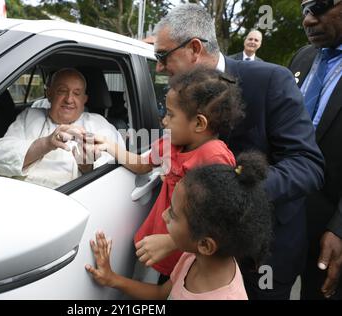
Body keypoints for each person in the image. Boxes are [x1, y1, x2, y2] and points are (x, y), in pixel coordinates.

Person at [151, 3, 325, 299]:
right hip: (194, 255)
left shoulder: (270, 80)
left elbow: (307, 165)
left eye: (162, 56)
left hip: (263, 260)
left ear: (194, 48)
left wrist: (230, 191)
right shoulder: (178, 94)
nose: (158, 68)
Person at [95, 66, 243, 283]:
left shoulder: (214, 157)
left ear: (199, 123)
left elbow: (220, 220)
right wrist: (110, 146)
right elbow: (142, 164)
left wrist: (171, 242)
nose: (164, 121)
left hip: (188, 254)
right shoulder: (170, 144)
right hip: (158, 241)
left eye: (171, 115)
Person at [85, 152, 273, 300]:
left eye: (173, 213)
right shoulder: (192, 258)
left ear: (205, 245)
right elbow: (162, 294)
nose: (164, 215)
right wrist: (112, 278)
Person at [0, 68, 124, 189]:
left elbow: (115, 174)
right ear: (49, 94)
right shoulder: (29, 116)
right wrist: (45, 144)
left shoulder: (99, 124)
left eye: (77, 93)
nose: (69, 99)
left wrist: (87, 167)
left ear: (84, 99)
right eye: (62, 91)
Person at [289, 0, 342, 300]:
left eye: (319, 6)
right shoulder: (302, 57)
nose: (308, 20)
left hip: (330, 231)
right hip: (283, 221)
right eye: (304, 10)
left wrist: (340, 229)